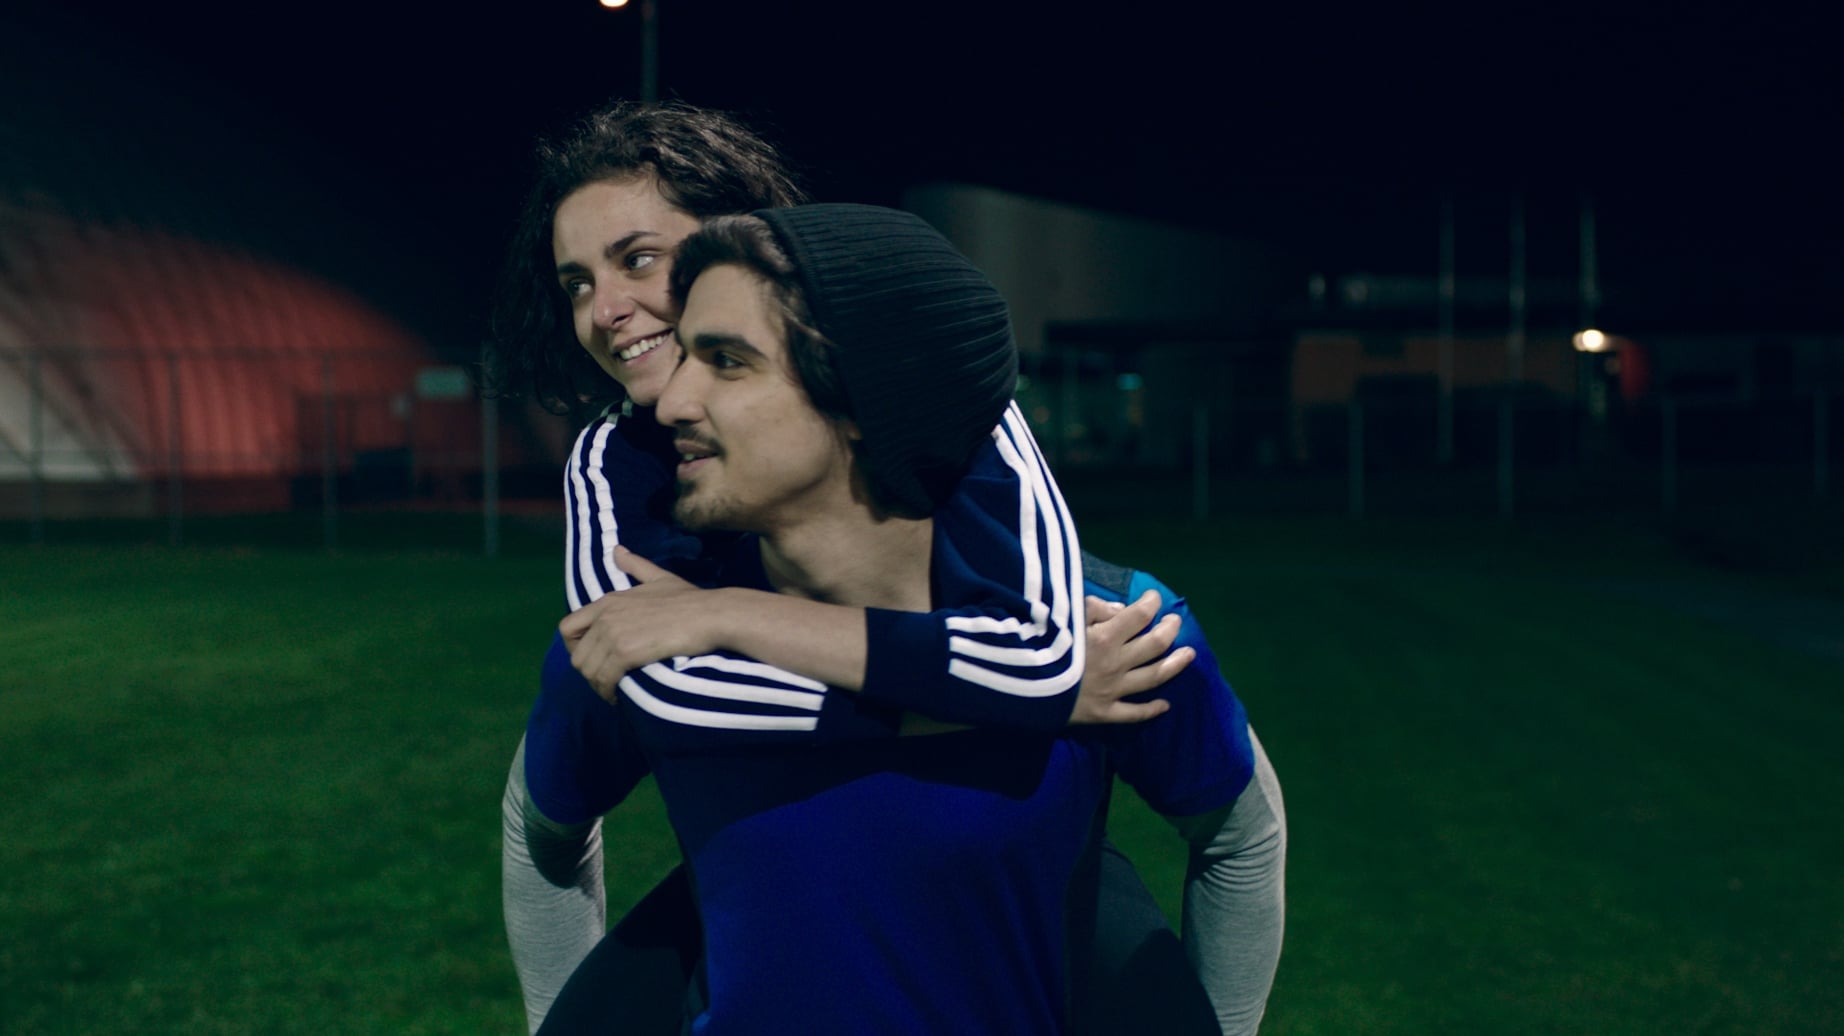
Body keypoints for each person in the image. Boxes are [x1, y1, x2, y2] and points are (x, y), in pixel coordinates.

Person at [520, 203, 1284, 1034]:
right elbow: (542, 834)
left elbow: (1241, 839)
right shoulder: (649, 638)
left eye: (728, 362)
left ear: (865, 403)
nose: (671, 402)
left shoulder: (1108, 632)